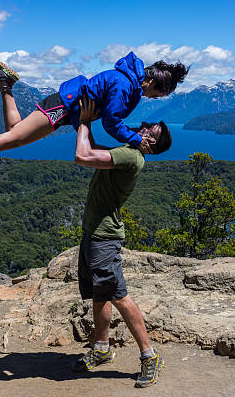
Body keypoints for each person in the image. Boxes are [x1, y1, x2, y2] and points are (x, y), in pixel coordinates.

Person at [0, 52, 188, 193]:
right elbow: (112, 123)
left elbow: (110, 118)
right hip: (64, 107)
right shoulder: (125, 86)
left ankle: (5, 84)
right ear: (153, 83)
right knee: (12, 139)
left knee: (14, 133)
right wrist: (135, 139)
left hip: (72, 111)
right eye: (160, 94)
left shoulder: (128, 83)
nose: (156, 98)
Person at [71, 97, 171, 388]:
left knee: (118, 294)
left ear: (150, 144)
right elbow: (91, 150)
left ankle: (149, 356)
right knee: (100, 294)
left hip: (104, 238)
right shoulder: (127, 151)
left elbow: (81, 157)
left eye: (152, 131)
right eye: (151, 125)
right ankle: (101, 349)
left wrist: (85, 121)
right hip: (93, 233)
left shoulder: (131, 157)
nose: (147, 126)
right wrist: (84, 125)